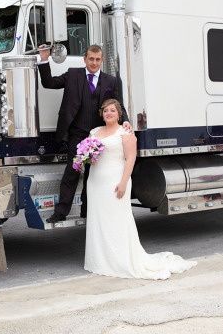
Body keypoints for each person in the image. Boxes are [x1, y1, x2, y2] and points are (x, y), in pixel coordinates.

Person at [84, 99, 196, 279]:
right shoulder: (94, 132)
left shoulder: (125, 133)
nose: (109, 113)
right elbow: (90, 156)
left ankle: (119, 259)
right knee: (99, 219)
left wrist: (123, 183)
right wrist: (85, 157)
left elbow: (130, 159)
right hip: (96, 182)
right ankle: (100, 260)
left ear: (119, 114)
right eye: (106, 110)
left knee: (117, 220)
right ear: (101, 114)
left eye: (113, 110)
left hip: (116, 181)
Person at [38, 44, 131, 223]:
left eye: (97, 60)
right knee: (72, 172)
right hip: (77, 134)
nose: (94, 63)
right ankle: (60, 213)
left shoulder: (110, 81)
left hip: (99, 134)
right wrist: (44, 59)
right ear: (85, 59)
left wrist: (125, 119)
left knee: (93, 173)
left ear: (101, 60)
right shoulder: (73, 75)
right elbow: (49, 83)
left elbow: (118, 104)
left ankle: (87, 211)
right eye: (91, 59)